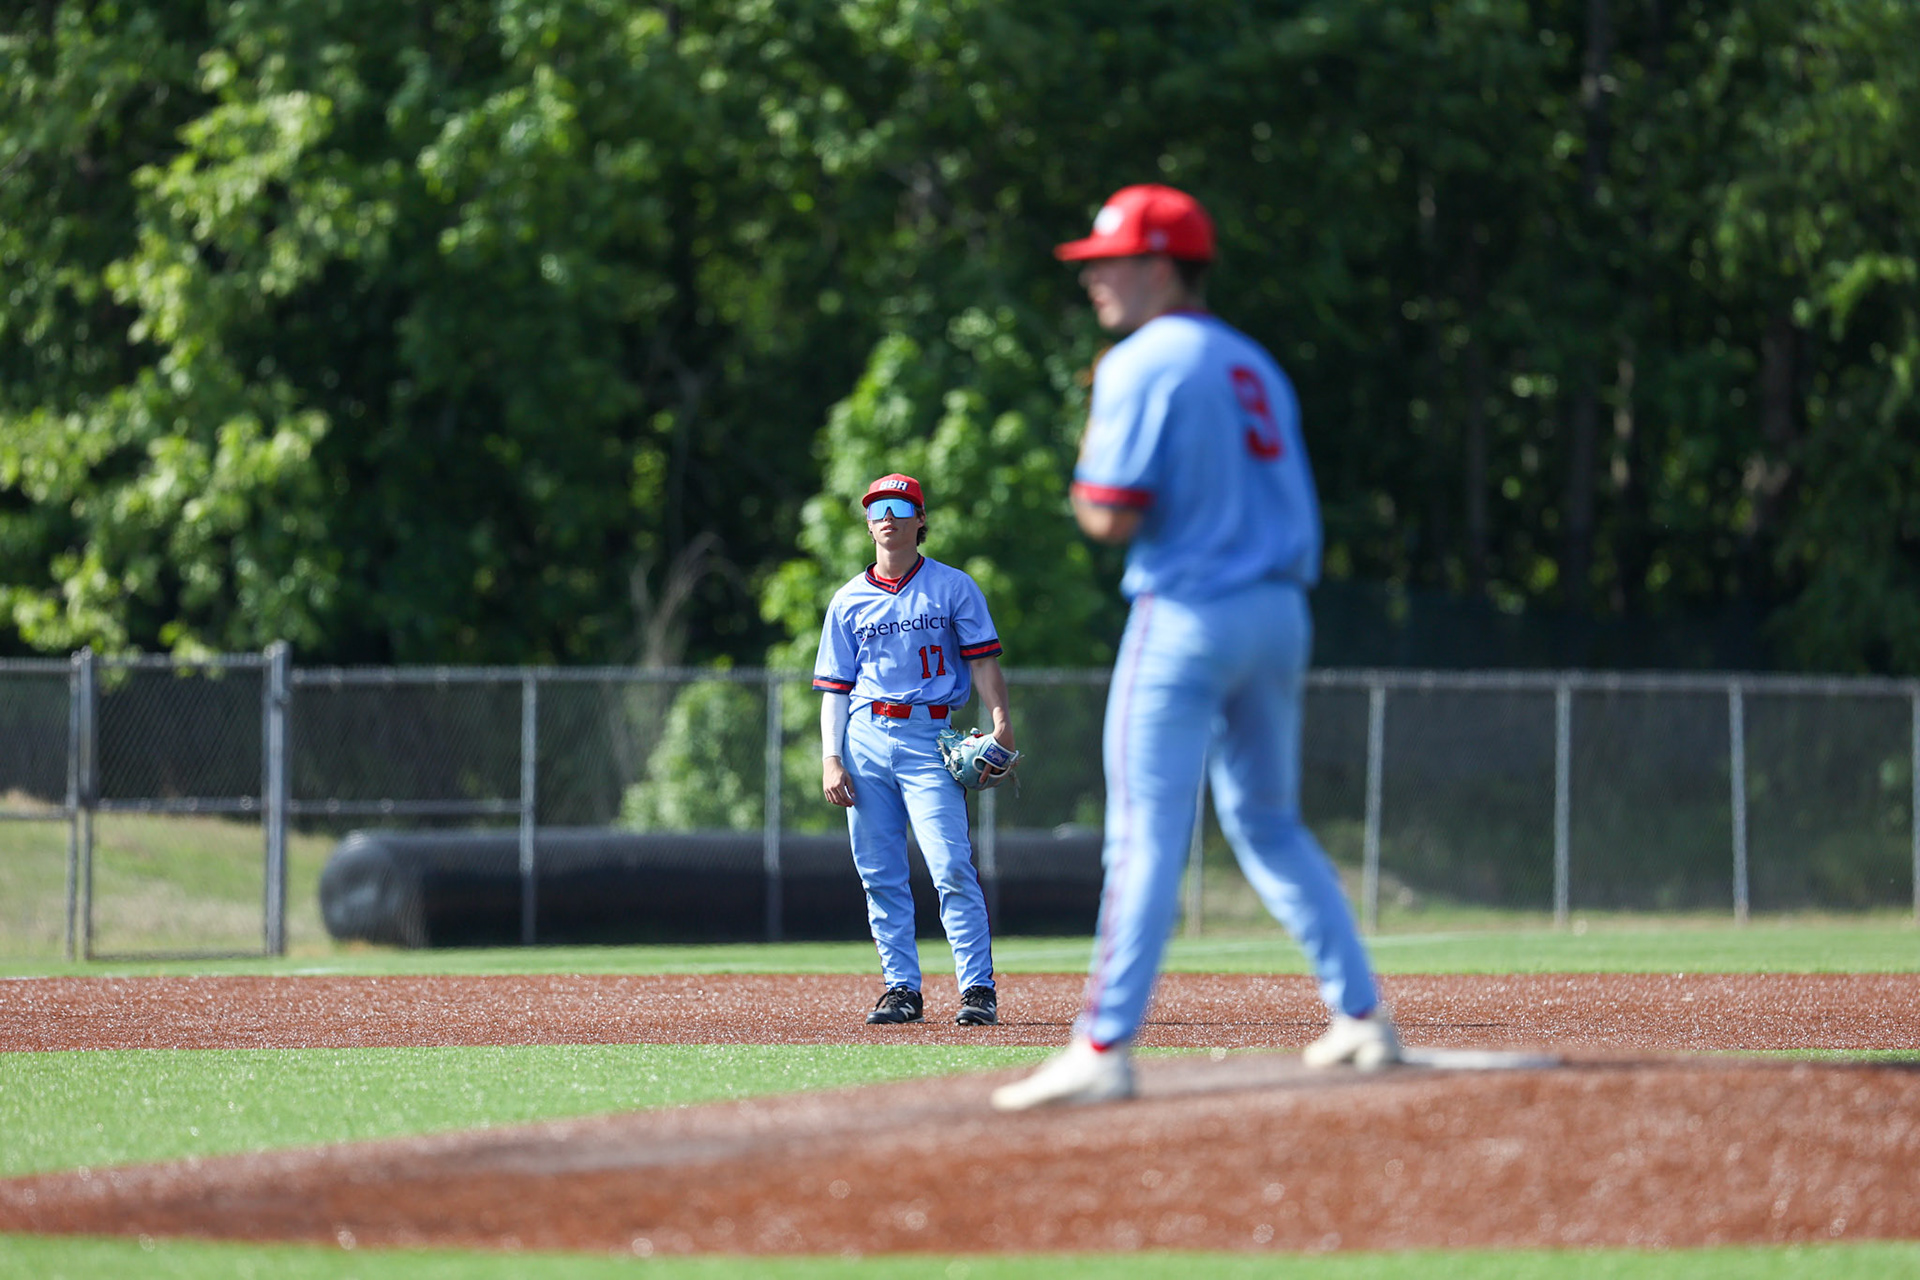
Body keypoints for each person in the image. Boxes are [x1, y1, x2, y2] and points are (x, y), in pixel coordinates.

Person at [992, 185, 1399, 1110]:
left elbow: (1111, 510)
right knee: (1267, 819)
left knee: (1142, 832)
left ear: (1163, 267)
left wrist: (1083, 488)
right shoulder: (1253, 361)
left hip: (1186, 615)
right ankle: (1362, 1018)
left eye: (1111, 262)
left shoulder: (1143, 359)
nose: (1094, 279)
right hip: (1278, 614)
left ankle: (1101, 1046)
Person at [814, 473, 1014, 1027]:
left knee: (949, 863)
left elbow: (982, 662)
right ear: (868, 521)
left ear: (920, 520)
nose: (889, 516)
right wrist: (832, 756)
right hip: (866, 737)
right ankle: (901, 988)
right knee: (879, 870)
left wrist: (1001, 722)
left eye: (902, 506)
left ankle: (977, 989)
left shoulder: (952, 586)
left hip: (930, 735)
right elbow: (834, 688)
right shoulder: (848, 599)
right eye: (878, 506)